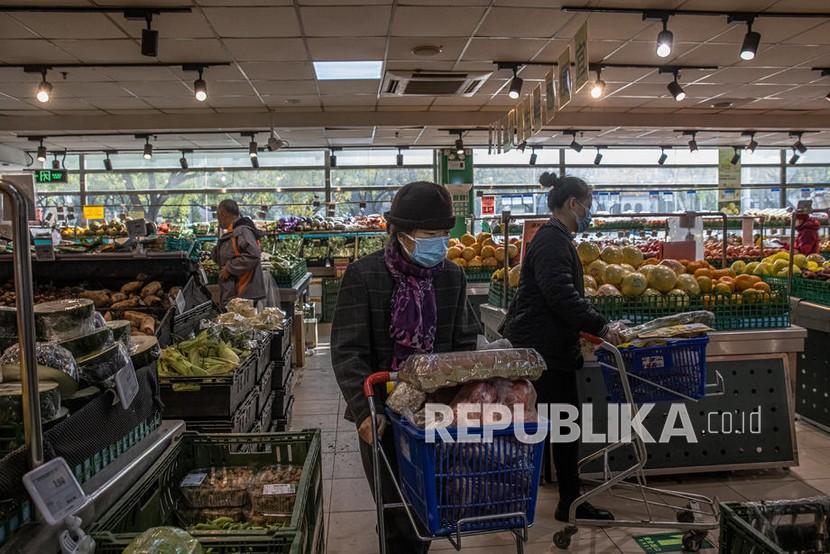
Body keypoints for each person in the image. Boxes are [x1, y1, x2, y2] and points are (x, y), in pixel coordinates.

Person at [331, 181, 479, 554]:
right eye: (431, 235)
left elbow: (464, 342)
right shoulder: (365, 276)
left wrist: (462, 397)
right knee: (396, 512)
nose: (440, 244)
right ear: (400, 234)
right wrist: (364, 409)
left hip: (434, 417)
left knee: (426, 507)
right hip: (381, 417)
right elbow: (348, 350)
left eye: (445, 235)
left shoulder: (452, 277)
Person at [502, 172, 620, 524]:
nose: (590, 211)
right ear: (573, 203)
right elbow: (560, 295)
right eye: (589, 204)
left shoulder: (553, 237)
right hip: (545, 351)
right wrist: (599, 325)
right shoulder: (553, 240)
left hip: (546, 346)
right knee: (564, 427)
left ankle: (568, 499)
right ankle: (569, 502)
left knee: (557, 427)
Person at [211, 199, 266, 307]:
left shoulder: (241, 231)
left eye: (218, 215)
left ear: (224, 214)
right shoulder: (233, 231)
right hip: (237, 294)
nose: (218, 219)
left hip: (243, 292)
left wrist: (229, 268)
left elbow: (253, 254)